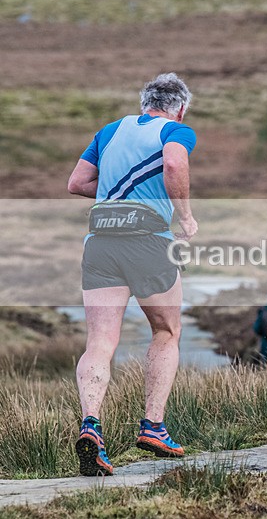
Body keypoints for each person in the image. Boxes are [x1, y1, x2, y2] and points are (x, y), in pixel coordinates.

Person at [67, 73, 197, 476]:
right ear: (180, 106)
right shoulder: (177, 130)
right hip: (147, 239)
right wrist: (186, 217)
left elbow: (77, 183)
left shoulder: (108, 131)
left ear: (144, 103)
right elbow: (174, 162)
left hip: (101, 238)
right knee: (167, 330)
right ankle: (153, 426)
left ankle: (91, 424)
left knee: (100, 341)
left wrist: (113, 192)